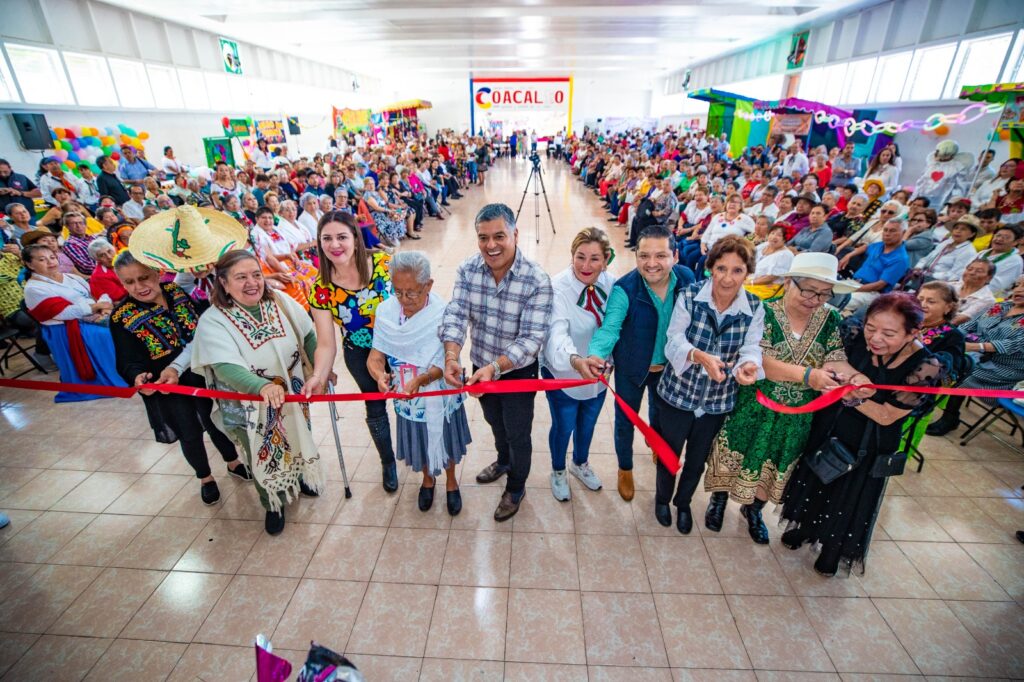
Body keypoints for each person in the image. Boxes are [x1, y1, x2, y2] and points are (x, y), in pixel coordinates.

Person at [781, 293, 944, 576]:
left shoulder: (926, 367)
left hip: (871, 443)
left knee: (850, 497)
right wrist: (842, 379)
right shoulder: (854, 334)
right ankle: (805, 528)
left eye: (889, 333)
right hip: (833, 427)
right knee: (816, 481)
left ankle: (832, 549)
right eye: (872, 328)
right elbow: (830, 361)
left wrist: (851, 397)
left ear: (913, 332)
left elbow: (886, 415)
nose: (876, 338)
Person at [706, 254, 856, 542]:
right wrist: (808, 375)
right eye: (809, 290)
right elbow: (758, 359)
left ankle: (754, 510)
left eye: (824, 294)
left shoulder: (830, 318)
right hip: (755, 404)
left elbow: (836, 356)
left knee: (777, 461)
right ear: (789, 282)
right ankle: (719, 500)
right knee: (735, 451)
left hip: (799, 412)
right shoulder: (764, 312)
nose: (815, 299)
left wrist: (851, 377)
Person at [191, 249, 325, 535]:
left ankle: (301, 477)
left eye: (256, 274)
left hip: (293, 392)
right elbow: (225, 366)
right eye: (241, 277)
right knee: (262, 452)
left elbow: (309, 333)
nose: (252, 282)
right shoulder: (213, 320)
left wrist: (318, 368)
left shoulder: (281, 301)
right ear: (224, 283)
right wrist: (261, 386)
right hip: (251, 405)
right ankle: (272, 502)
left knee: (299, 434)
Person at [440, 203, 553, 521]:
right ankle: (504, 461)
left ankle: (516, 488)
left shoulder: (536, 280)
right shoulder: (467, 270)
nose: (491, 246)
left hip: (518, 371)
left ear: (516, 234)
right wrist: (452, 355)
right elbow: (457, 313)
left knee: (518, 432)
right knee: (494, 421)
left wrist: (496, 368)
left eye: (499, 236)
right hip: (481, 367)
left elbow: (531, 339)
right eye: (483, 237)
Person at [110, 250, 251, 504]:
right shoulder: (122, 317)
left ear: (158, 273)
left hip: (201, 373)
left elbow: (203, 326)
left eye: (144, 277)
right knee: (189, 432)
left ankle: (233, 462)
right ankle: (205, 478)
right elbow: (127, 359)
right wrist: (139, 378)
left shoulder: (177, 293)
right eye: (129, 282)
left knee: (216, 421)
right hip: (167, 386)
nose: (139, 286)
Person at [652, 236, 764, 533]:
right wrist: (699, 356)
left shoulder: (754, 306)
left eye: (737, 270)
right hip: (678, 394)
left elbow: (751, 349)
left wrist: (747, 366)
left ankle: (683, 502)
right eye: (722, 268)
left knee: (697, 460)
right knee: (668, 454)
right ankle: (662, 499)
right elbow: (674, 339)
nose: (728, 278)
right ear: (710, 268)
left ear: (747, 273)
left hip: (716, 402)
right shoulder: (689, 296)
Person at [586, 224, 695, 500]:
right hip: (632, 370)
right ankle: (625, 468)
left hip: (669, 370)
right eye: (644, 256)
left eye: (661, 256)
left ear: (676, 257)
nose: (652, 264)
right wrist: (596, 354)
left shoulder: (686, 279)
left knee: (660, 415)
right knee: (625, 420)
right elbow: (610, 328)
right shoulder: (625, 288)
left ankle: (657, 445)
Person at [366, 251, 471, 515]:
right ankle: (427, 479)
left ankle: (450, 481)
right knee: (419, 439)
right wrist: (380, 375)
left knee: (445, 438)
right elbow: (375, 357)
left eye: (411, 293)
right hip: (408, 396)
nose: (404, 300)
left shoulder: (443, 313)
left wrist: (423, 379)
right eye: (398, 291)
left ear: (428, 285)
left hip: (439, 392)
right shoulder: (386, 311)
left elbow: (446, 361)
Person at [305, 211, 399, 492]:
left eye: (342, 237)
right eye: (327, 238)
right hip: (358, 351)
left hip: (398, 346)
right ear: (320, 243)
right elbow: (325, 343)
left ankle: (418, 455)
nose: (335, 244)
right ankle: (388, 461)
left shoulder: (385, 264)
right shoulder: (320, 289)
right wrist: (319, 376)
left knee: (409, 400)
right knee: (375, 406)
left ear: (356, 239)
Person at [543, 227, 616, 501]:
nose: (586, 266)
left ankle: (580, 463)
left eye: (595, 258)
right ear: (571, 255)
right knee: (564, 425)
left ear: (606, 259)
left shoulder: (612, 285)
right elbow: (556, 334)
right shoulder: (557, 288)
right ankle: (558, 470)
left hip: (599, 377)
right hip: (564, 373)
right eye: (580, 256)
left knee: (588, 424)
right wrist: (576, 360)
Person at [22, 243, 125, 401]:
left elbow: (93, 297)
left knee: (127, 322)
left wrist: (101, 309)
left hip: (88, 319)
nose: (50, 262)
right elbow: (65, 313)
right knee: (108, 334)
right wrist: (96, 307)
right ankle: (118, 376)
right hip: (66, 329)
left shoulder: (72, 277)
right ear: (30, 264)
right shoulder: (34, 288)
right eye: (42, 259)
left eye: (52, 257)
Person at [927, 277, 1024, 436]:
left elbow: (1013, 345)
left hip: (1004, 368)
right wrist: (953, 339)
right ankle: (923, 402)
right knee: (941, 357)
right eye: (1017, 285)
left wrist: (973, 346)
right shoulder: (1001, 307)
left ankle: (950, 417)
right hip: (975, 353)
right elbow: (968, 326)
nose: (1019, 290)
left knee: (961, 372)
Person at [839, 219, 911, 317]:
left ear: (903, 233)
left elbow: (879, 285)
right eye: (885, 230)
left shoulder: (900, 258)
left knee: (839, 299)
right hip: (855, 283)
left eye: (892, 231)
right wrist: (849, 255)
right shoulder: (880, 245)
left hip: (871, 293)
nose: (887, 233)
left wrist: (852, 289)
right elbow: (865, 247)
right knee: (826, 291)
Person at [912, 214, 981, 283]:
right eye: (956, 228)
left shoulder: (968, 251)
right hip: (922, 276)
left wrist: (929, 275)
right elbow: (928, 257)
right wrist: (918, 267)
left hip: (939, 283)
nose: (958, 231)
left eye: (963, 229)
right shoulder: (946, 242)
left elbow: (955, 275)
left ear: (972, 234)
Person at [746, 223, 795, 298]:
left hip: (767, 288)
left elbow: (770, 278)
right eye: (772, 233)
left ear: (785, 239)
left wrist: (750, 282)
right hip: (749, 281)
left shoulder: (785, 255)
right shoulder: (764, 245)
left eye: (779, 235)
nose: (774, 237)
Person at [975, 224, 1023, 295]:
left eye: (1006, 237)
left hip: (990, 297)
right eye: (998, 235)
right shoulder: (982, 253)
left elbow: (996, 286)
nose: (999, 239)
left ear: (1015, 242)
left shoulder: (1015, 261)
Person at [951, 259, 997, 325]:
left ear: (989, 278)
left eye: (979, 271)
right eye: (969, 269)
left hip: (951, 328)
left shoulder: (987, 300)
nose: (972, 273)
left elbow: (958, 320)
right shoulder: (951, 285)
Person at [86, 238, 127, 302]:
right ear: (97, 259)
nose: (109, 257)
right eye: (102, 255)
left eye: (109, 251)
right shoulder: (99, 276)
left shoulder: (123, 258)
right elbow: (120, 298)